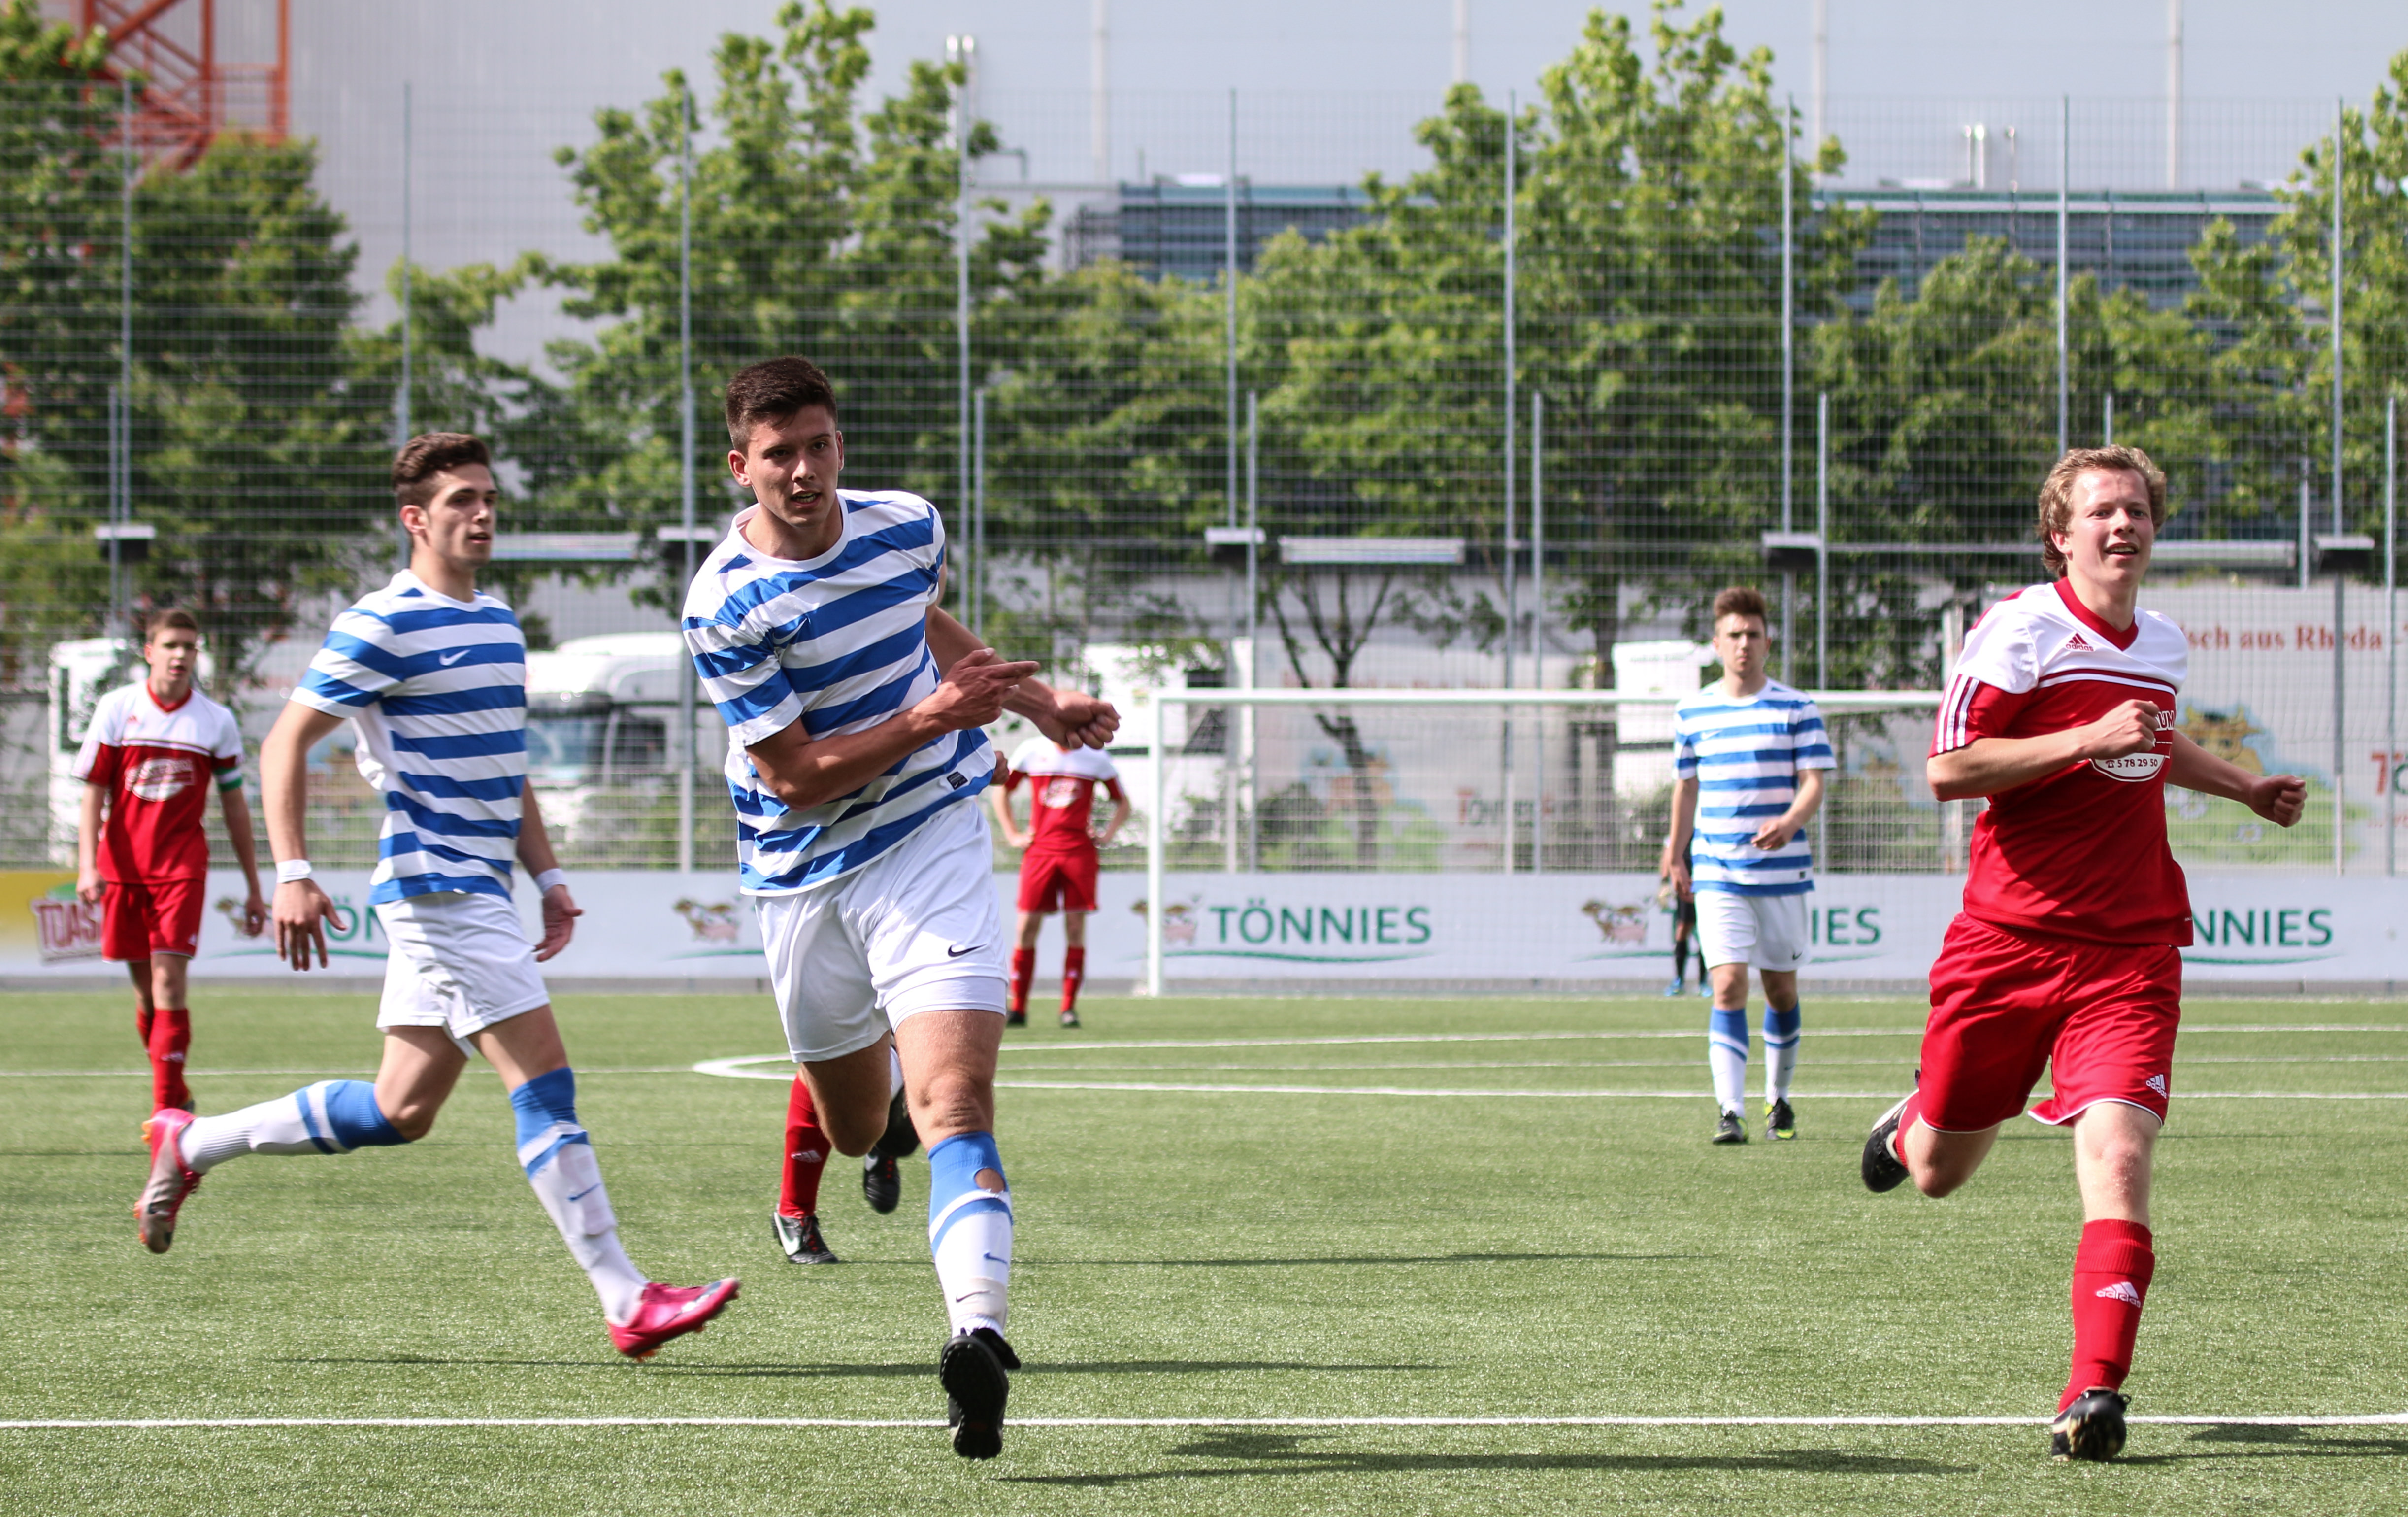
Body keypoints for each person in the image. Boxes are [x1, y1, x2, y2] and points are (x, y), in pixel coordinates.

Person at [132, 432, 740, 1362]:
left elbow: (507, 766)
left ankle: (192, 1142)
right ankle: (627, 1295)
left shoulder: (498, 621)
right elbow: (284, 742)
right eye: (461, 499)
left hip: (481, 886)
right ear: (415, 518)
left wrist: (549, 876)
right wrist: (293, 872)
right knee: (545, 1082)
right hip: (438, 887)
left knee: (399, 1108)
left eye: (488, 496)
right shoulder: (381, 621)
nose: (482, 512)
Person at [683, 356, 1117, 1460]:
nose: (803, 470)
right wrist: (933, 716)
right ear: (739, 466)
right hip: (805, 871)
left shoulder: (907, 525)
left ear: (840, 445)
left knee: (957, 1098)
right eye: (777, 454)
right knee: (855, 1125)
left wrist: (1039, 705)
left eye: (818, 445)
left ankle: (978, 1337)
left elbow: (924, 624)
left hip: (930, 835)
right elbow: (794, 775)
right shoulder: (723, 604)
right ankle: (884, 1127)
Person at [1858, 447, 2305, 1463]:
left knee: (2119, 1156)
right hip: (2005, 946)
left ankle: (2091, 1393)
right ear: (2058, 535)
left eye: (2136, 509)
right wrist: (2079, 739)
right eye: (2100, 510)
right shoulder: (2017, 629)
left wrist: (2241, 786)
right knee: (1935, 1172)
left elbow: (2148, 740)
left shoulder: (2161, 641)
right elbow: (1947, 770)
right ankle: (1915, 1116)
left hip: (2129, 949)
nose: (2121, 524)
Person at [74, 607, 268, 1115]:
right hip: (122, 870)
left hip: (182, 870)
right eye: (171, 645)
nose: (181, 655)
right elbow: (94, 791)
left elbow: (234, 805)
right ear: (149, 652)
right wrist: (87, 865)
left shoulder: (216, 720)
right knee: (147, 995)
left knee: (168, 983)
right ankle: (176, 1089)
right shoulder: (118, 708)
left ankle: (166, 1115)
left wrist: (254, 886)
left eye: (189, 647)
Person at [1660, 586, 1832, 1145]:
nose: (1743, 644)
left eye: (1752, 634)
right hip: (1717, 870)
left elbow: (1813, 782)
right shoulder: (1691, 710)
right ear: (1716, 644)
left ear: (1767, 642)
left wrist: (1789, 821)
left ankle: (1777, 1098)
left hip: (1782, 873)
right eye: (1733, 635)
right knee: (1728, 985)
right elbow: (1686, 788)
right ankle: (1729, 1111)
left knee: (1780, 991)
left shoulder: (1796, 707)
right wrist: (1674, 851)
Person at [991, 734, 1129, 1028]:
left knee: (1075, 927)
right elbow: (1002, 792)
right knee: (1026, 926)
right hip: (1040, 851)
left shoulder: (1095, 757)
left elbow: (1122, 802)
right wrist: (1013, 834)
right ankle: (1019, 1008)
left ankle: (1068, 1008)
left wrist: (1107, 835)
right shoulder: (1032, 750)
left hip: (1079, 853)